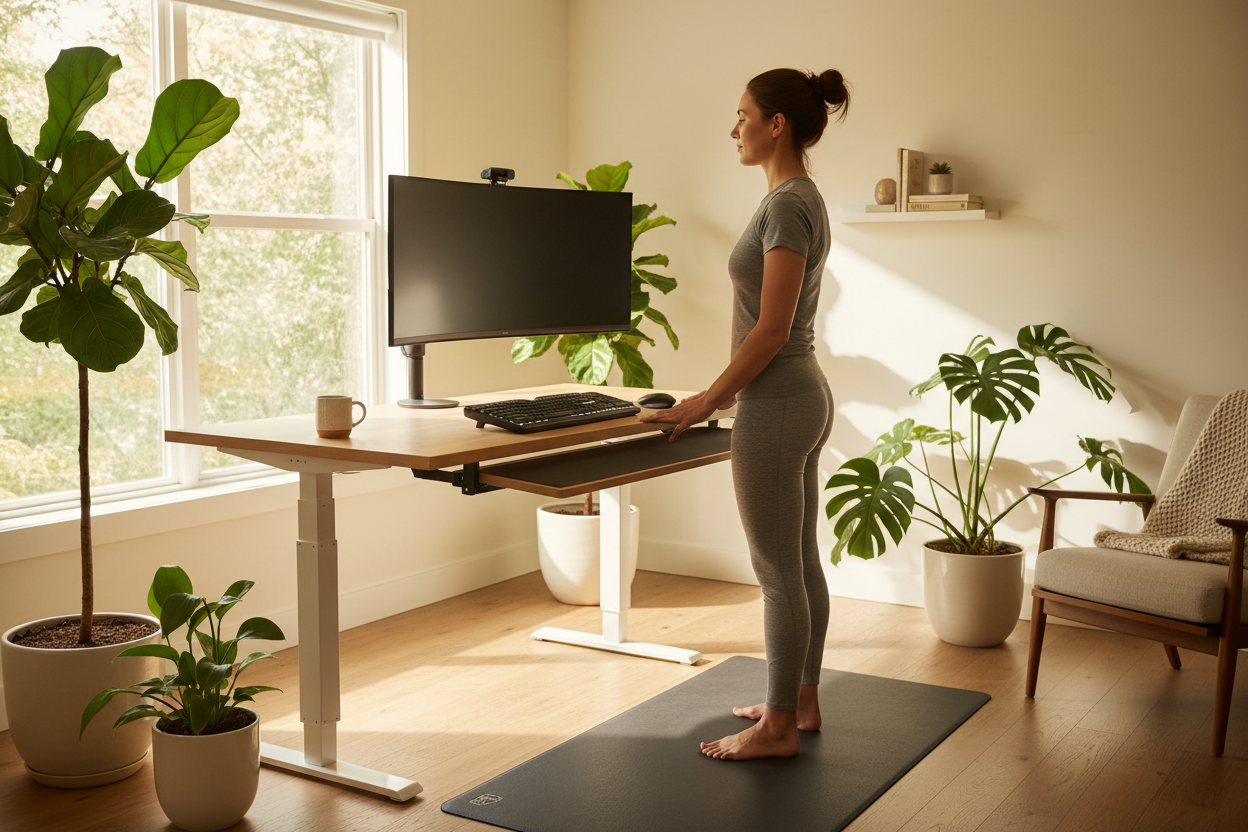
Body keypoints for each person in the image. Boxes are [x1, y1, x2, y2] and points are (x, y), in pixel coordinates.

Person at [640, 67, 849, 761]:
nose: (734, 130)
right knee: (799, 562)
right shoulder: (797, 198)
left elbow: (771, 329)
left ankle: (778, 727)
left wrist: (707, 399)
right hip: (800, 395)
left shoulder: (788, 204)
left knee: (775, 570)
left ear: (775, 124)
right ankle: (802, 702)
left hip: (779, 400)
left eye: (742, 116)